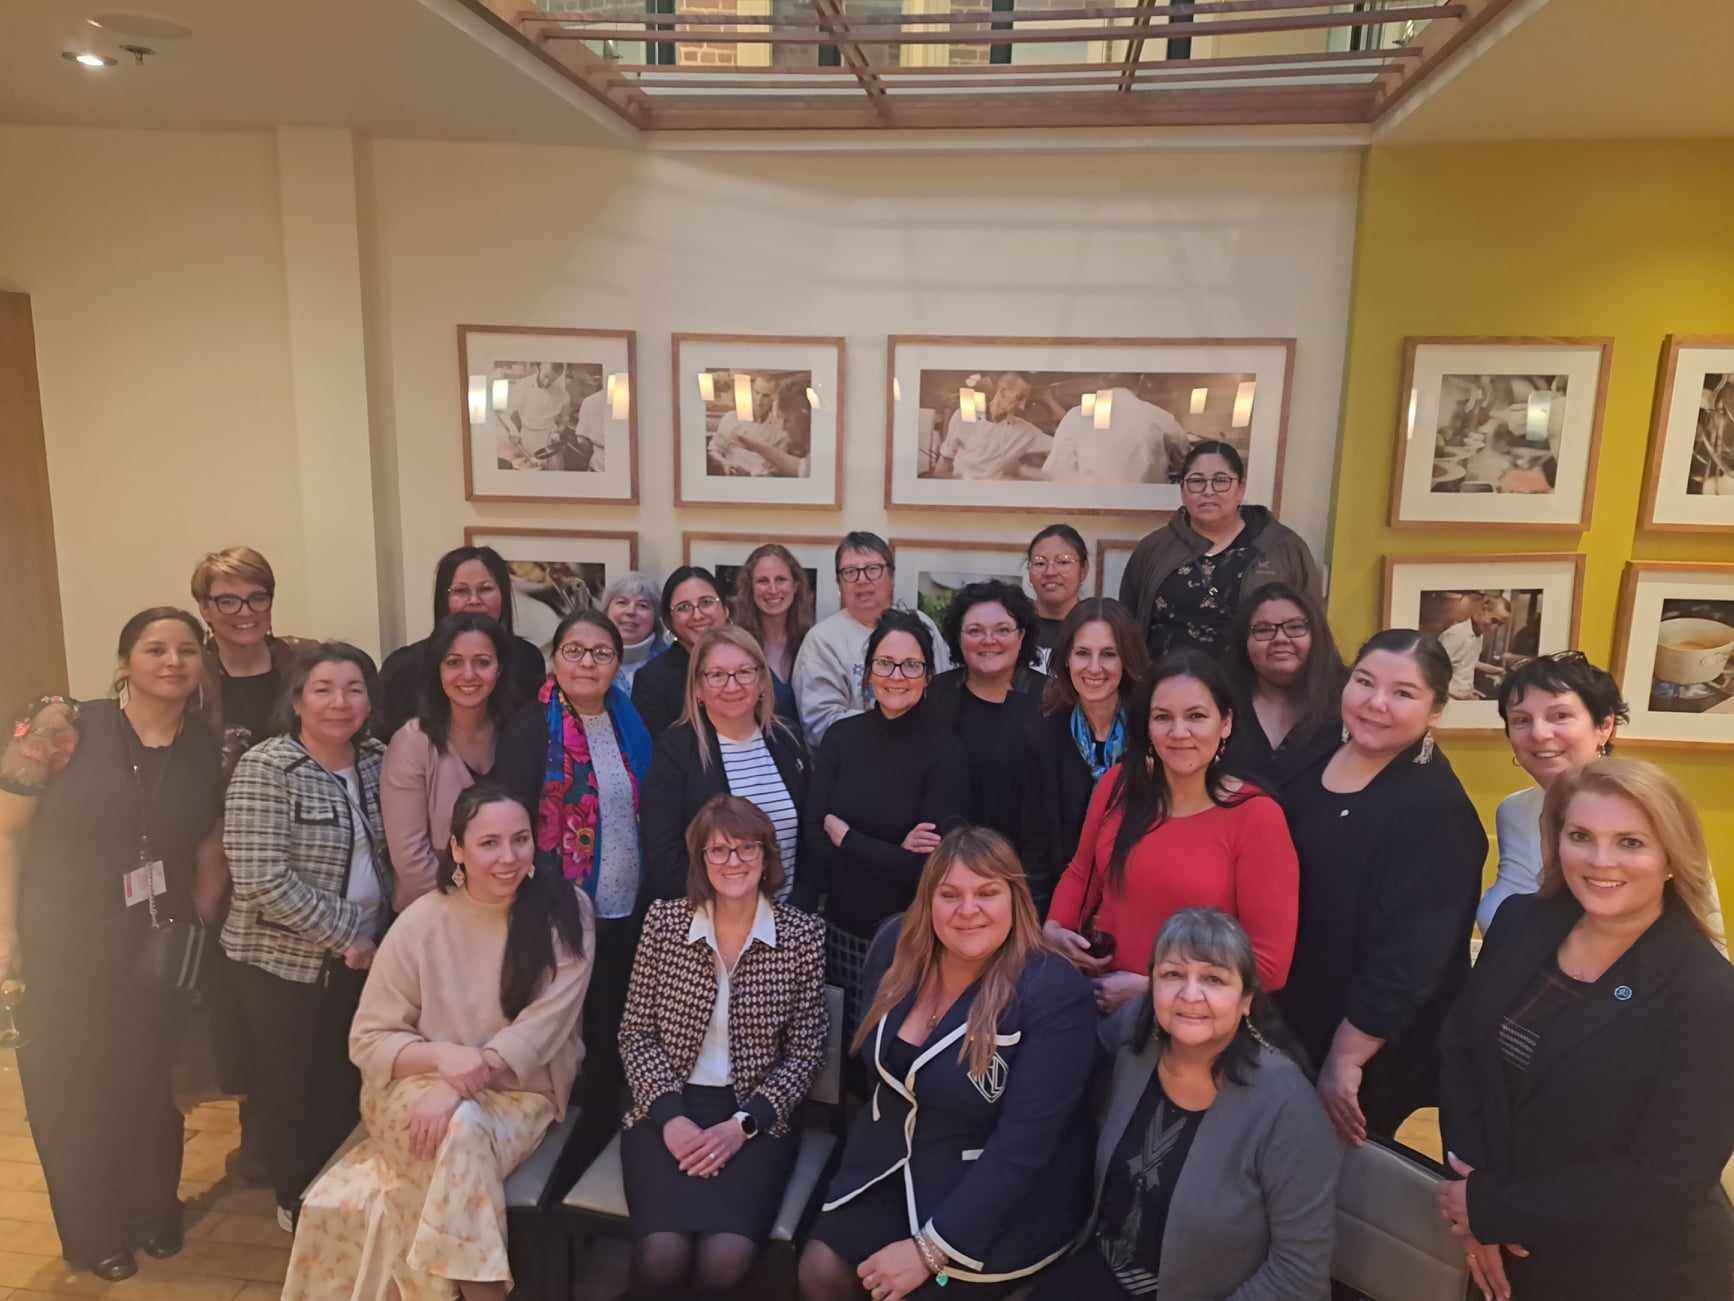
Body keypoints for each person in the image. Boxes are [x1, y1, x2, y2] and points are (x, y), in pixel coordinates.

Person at [282, 784, 595, 1301]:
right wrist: (442, 1059)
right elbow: (369, 1038)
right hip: (413, 1088)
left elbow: (544, 1029)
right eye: (489, 843)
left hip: (519, 1093)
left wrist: (460, 1084)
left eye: (520, 839)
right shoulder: (421, 920)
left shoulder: (567, 911)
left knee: (463, 1128)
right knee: (460, 1132)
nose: (508, 856)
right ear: (457, 850)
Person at [1437, 760, 1734, 1301]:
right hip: (1502, 1234)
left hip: (1633, 1268)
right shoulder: (1521, 921)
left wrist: (1495, 1209)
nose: (1600, 861)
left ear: (1672, 857)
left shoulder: (1707, 991)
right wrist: (1473, 1196)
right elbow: (1462, 1051)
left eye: (1630, 842)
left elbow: (1669, 1179)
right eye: (1580, 836)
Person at [2, 611, 225, 1280]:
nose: (173, 660)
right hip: (59, 937)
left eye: (187, 649)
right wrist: (6, 932)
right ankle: (93, 1233)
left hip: (153, 939)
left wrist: (197, 927)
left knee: (145, 1080)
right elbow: (6, 830)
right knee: (72, 1086)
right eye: (154, 648)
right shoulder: (66, 725)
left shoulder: (201, 745)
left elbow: (208, 845)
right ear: (125, 661)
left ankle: (153, 1211)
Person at [799, 826, 1096, 1298]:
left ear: (1016, 900)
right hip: (895, 1166)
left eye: (987, 893)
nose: (967, 910)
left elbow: (1023, 1149)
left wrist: (929, 1252)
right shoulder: (898, 947)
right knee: (820, 1269)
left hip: (1000, 1195)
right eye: (950, 894)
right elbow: (879, 1084)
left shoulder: (1054, 993)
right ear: (927, 901)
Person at [1032, 908, 1339, 1299]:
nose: (1190, 995)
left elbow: (1299, 1276)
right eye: (1173, 974)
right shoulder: (1132, 1039)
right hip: (1103, 1269)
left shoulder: (1288, 1106)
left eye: (1213, 979)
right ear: (1152, 985)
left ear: (1246, 999)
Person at [1275, 629, 1486, 1145]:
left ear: (1436, 711)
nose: (1376, 703)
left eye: (1403, 693)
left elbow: (1412, 959)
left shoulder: (1438, 812)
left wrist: (1345, 1058)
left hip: (1371, 1043)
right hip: (1292, 1014)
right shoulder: (1318, 744)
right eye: (1364, 682)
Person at [620, 796, 828, 1298]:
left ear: (766, 856)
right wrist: (671, 1118)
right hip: (665, 1106)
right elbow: (635, 1034)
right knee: (662, 1256)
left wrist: (743, 1126)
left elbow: (806, 1053)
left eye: (746, 849)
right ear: (700, 860)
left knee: (725, 1261)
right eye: (719, 851)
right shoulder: (664, 924)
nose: (733, 862)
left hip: (755, 1115)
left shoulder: (801, 935)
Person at [223, 641, 392, 1232]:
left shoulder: (377, 759)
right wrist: (349, 933)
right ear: (297, 700)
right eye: (323, 689)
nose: (339, 703)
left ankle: (338, 1197)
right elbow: (259, 877)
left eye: (354, 689)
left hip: (367, 957)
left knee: (343, 1084)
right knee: (290, 1090)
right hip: (283, 964)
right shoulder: (267, 767)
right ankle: (295, 1201)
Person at [1046, 651, 1299, 1012]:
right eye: (1163, 717)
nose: (1179, 733)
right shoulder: (1118, 786)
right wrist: (1056, 928)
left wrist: (1153, 990)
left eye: (1196, 716)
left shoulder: (1256, 816)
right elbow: (1081, 871)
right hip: (1097, 1007)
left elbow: (1269, 965)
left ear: (1225, 723)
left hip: (1192, 1025)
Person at [497, 609, 652, 1158]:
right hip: (556, 903)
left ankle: (602, 1136)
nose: (588, 663)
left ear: (617, 662)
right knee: (560, 1023)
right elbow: (511, 816)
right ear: (555, 658)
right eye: (575, 651)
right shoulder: (528, 728)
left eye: (601, 653)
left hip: (625, 901)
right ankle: (555, 1143)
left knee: (611, 1017)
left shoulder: (629, 719)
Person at [804, 610, 968, 1041]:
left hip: (910, 941)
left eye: (911, 665)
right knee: (836, 1068)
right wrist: (896, 849)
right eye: (885, 663)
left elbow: (931, 869)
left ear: (929, 676)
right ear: (868, 672)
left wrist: (851, 839)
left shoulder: (947, 750)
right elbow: (816, 843)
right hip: (840, 933)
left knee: (896, 1055)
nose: (897, 675)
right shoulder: (842, 738)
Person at [642, 627, 811, 907]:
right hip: (708, 923)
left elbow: (811, 840)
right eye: (717, 675)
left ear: (761, 682)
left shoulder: (787, 739)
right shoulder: (675, 751)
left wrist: (795, 911)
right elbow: (663, 856)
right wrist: (732, 916)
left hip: (788, 924)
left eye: (744, 672)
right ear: (697, 688)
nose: (732, 686)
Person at [1118, 441, 1321, 662]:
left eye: (1221, 481)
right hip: (1166, 688)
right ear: (1183, 490)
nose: (1208, 491)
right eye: (1197, 481)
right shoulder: (1154, 549)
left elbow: (1311, 628)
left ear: (1240, 489)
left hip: (1250, 690)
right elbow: (1128, 626)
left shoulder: (1282, 547)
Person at [1479, 651, 1625, 933]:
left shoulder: (1648, 811)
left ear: (1604, 726)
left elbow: (1700, 943)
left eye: (1559, 715)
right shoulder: (1514, 812)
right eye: (1521, 720)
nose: (1539, 734)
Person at [1022, 599, 1150, 916]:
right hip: (1065, 912)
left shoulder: (1152, 732)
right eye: (1082, 653)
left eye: (1109, 654)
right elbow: (1035, 848)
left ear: (1128, 660)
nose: (1094, 668)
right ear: (1065, 658)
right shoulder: (1044, 733)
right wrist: (1046, 931)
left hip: (1141, 910)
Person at [381, 613, 515, 910]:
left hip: (506, 911)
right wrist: (475, 902)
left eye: (482, 662)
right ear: (437, 670)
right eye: (453, 662)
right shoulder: (413, 742)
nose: (468, 674)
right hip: (430, 914)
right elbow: (411, 861)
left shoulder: (515, 733)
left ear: (500, 669)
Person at [792, 532, 951, 749]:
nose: (862, 579)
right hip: (853, 765)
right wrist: (895, 729)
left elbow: (942, 696)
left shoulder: (922, 624)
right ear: (838, 582)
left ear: (892, 577)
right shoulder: (821, 641)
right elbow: (820, 725)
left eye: (873, 569)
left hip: (924, 756)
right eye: (850, 572)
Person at [378, 546, 546, 739]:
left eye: (486, 589)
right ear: (444, 598)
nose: (474, 600)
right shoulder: (403, 665)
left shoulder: (527, 659)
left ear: (503, 595)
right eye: (460, 591)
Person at [926, 580, 1043, 848]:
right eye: (975, 630)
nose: (989, 641)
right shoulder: (935, 695)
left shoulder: (1050, 699)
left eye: (1002, 630)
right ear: (958, 637)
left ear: (1021, 635)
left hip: (1027, 862)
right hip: (945, 855)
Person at [191, 545, 315, 776]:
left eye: (257, 598)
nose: (246, 612)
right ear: (204, 609)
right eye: (228, 601)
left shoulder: (306, 660)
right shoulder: (190, 675)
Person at [1224, 580, 1349, 790]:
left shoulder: (1348, 703)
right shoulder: (1220, 702)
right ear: (1244, 641)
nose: (1280, 638)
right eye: (1263, 630)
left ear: (1317, 634)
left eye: (1295, 627)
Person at [632, 566, 731, 742]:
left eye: (707, 602)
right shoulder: (652, 681)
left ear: (726, 609)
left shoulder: (750, 664)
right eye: (684, 607)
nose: (697, 615)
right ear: (669, 621)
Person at [932, 373, 1053, 481]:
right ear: (1002, 392)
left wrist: (1050, 400)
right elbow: (945, 460)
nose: (1022, 406)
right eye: (1020, 398)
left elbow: (1062, 444)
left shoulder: (1025, 430)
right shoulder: (965, 414)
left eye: (1026, 400)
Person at [731, 542, 813, 687]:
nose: (773, 589)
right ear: (750, 588)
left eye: (780, 579)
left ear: (795, 586)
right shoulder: (736, 646)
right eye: (763, 581)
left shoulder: (813, 644)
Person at [1024, 524, 1089, 675]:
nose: (1050, 572)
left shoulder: (1097, 626)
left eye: (1063, 562)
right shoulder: (1013, 626)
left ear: (1084, 570)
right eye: (1040, 563)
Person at [603, 572, 671, 692]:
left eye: (642, 605)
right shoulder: (586, 661)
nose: (631, 611)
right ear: (606, 611)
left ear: (655, 617)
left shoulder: (673, 664)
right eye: (622, 602)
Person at [1438, 593, 1511, 700]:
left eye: (1500, 624)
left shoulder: (1479, 635)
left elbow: (1468, 663)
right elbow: (1433, 672)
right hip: (1449, 700)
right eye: (1494, 620)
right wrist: (1457, 694)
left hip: (1465, 696)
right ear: (1483, 609)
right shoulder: (1456, 634)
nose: (1494, 628)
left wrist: (1497, 670)